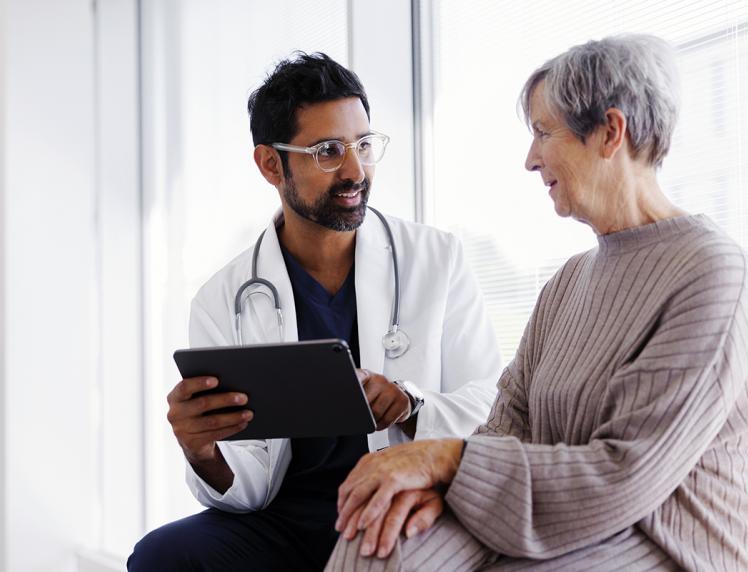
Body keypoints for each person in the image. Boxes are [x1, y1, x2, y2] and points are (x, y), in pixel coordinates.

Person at [325, 34, 748, 571]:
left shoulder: (712, 275)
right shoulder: (569, 281)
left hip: (674, 537)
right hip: (557, 510)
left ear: (611, 132)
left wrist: (447, 460)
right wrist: (442, 482)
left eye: (544, 132)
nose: (529, 159)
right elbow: (507, 424)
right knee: (377, 544)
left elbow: (626, 473)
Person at [127, 52, 502, 571]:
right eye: (328, 151)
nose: (355, 170)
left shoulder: (436, 260)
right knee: (162, 556)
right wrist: (202, 452)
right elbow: (250, 488)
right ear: (270, 164)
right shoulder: (222, 299)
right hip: (283, 519)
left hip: (396, 499)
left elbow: (492, 408)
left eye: (364, 146)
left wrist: (410, 405)